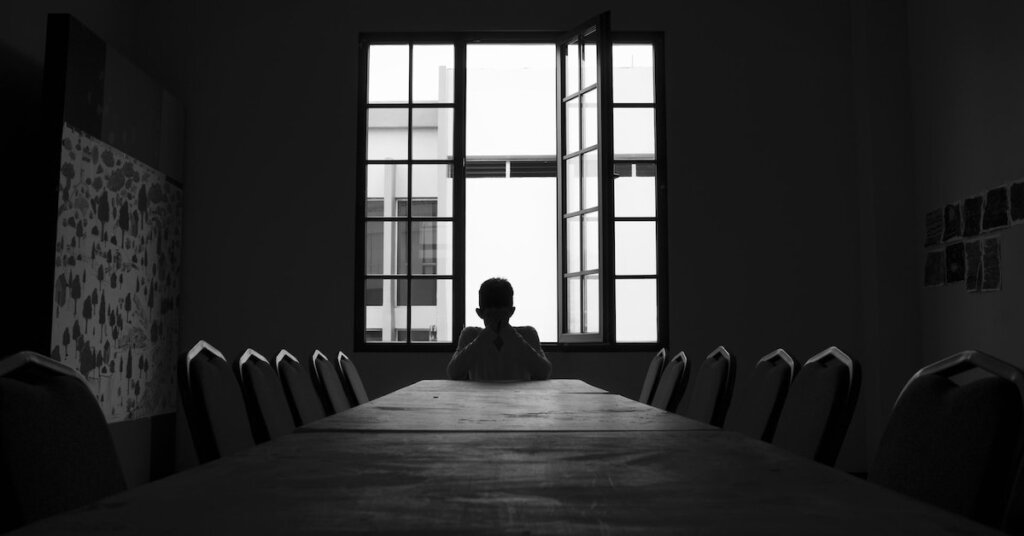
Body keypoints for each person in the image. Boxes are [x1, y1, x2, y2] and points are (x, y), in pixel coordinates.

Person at [447, 278, 551, 381]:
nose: (496, 319)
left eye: (501, 314)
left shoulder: (528, 334)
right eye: (491, 314)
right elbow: (454, 373)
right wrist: (489, 334)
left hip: (514, 397)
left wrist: (507, 334)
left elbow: (543, 373)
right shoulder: (470, 334)